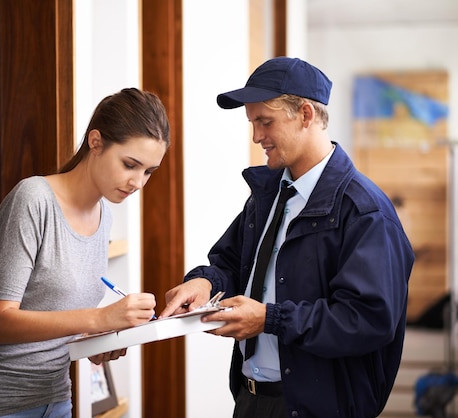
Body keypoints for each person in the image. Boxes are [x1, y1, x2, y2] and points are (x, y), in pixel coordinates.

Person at [160, 57, 414, 417]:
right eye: (252, 123)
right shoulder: (270, 193)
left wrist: (270, 320)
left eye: (265, 122)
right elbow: (233, 263)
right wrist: (204, 282)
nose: (256, 136)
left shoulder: (365, 211)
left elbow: (368, 319)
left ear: (306, 115)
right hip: (251, 400)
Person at [0, 87, 170, 418]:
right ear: (95, 142)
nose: (138, 182)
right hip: (4, 404)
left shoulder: (104, 215)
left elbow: (56, 319)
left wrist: (99, 340)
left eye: (148, 172)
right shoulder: (33, 200)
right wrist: (99, 317)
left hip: (58, 399)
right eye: (130, 164)